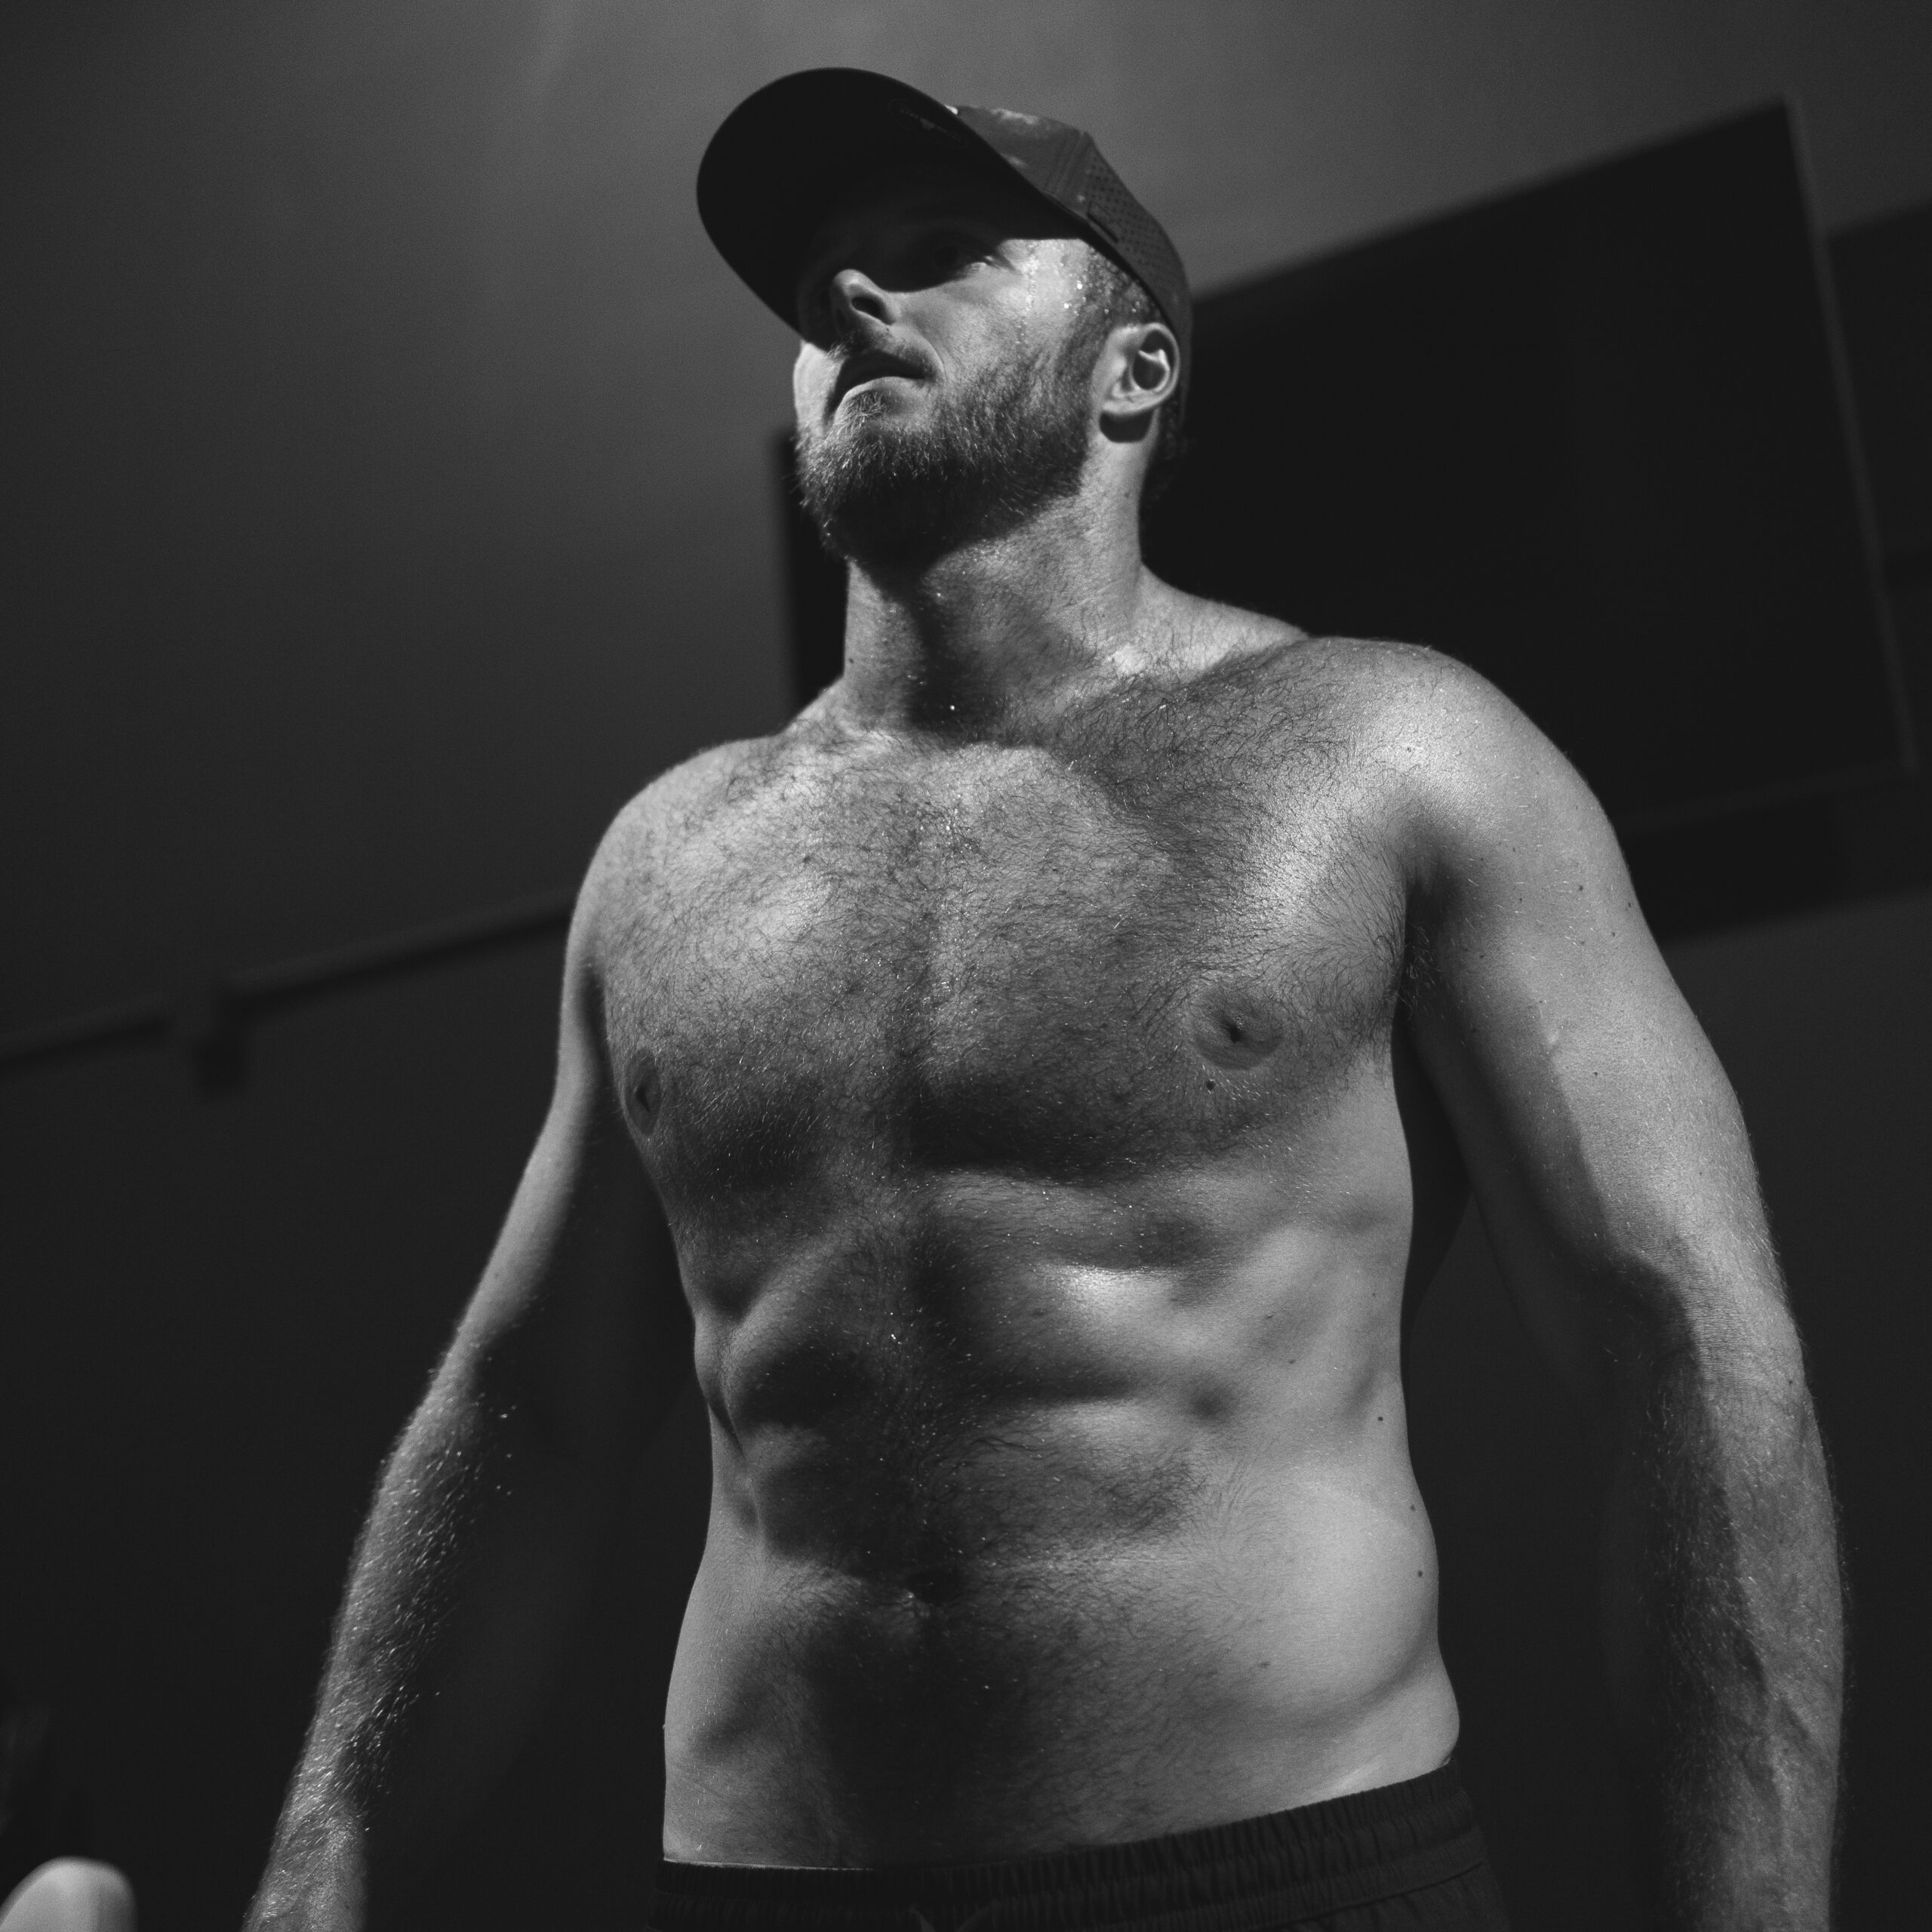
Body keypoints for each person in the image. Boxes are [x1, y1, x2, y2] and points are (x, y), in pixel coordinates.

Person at [245, 67, 1843, 1932]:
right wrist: (323, 1847)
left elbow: (1686, 1339)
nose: (846, 301)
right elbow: (527, 1402)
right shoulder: (669, 858)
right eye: (818, 282)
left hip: (1273, 1876)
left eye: (929, 254)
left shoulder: (1391, 752)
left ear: (1132, 372)